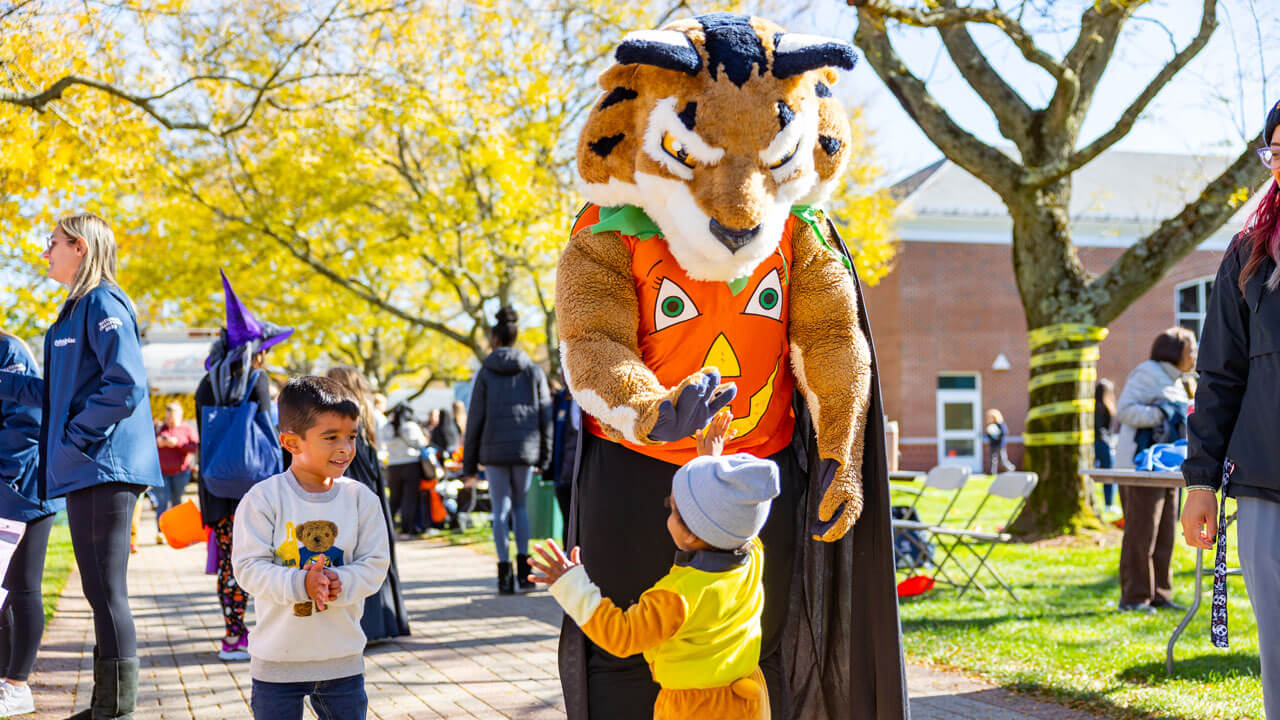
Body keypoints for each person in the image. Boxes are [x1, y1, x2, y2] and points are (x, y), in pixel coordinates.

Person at [0, 213, 163, 719]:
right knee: (97, 589)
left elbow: (127, 384)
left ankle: (116, 710)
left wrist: (76, 437)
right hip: (87, 466)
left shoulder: (101, 301)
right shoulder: (72, 311)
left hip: (104, 465)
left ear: (81, 247)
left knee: (106, 589)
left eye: (52, 244)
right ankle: (104, 704)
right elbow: (58, 392)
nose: (45, 253)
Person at [532, 410, 775, 719]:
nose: (668, 514)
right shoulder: (752, 555)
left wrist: (571, 583)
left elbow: (622, 635)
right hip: (748, 700)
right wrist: (709, 465)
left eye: (672, 509)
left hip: (694, 709)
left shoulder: (677, 597)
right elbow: (730, 516)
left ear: (689, 535)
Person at [1182, 101, 1280, 720]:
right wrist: (1199, 484)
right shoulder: (1249, 252)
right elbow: (1219, 375)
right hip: (1267, 484)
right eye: (1277, 151)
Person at [232, 376, 391, 720]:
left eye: (351, 436)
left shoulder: (361, 499)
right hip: (278, 661)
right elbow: (247, 567)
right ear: (291, 441)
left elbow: (376, 563)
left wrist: (341, 581)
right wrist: (299, 585)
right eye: (330, 437)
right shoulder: (263, 499)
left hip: (341, 660)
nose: (345, 448)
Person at [196, 270, 292, 661]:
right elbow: (270, 430)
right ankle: (268, 633)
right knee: (263, 559)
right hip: (256, 485)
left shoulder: (206, 384)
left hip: (217, 485)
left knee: (230, 564)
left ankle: (234, 636)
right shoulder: (258, 380)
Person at [462, 306, 553, 595]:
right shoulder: (533, 371)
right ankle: (525, 575)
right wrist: (545, 455)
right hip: (526, 449)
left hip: (493, 449)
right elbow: (544, 414)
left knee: (499, 509)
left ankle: (504, 575)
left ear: (495, 339)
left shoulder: (486, 372)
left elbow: (475, 418)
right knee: (521, 506)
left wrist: (469, 465)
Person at [0, 330, 63, 717]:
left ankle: (18, 685)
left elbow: (28, 421)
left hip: (22, 488)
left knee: (22, 588)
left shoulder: (9, 351)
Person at [324, 366, 409, 642]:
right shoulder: (366, 420)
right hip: (371, 494)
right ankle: (386, 621)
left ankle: (366, 625)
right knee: (374, 552)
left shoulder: (342, 424)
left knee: (355, 553)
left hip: (351, 495)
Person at [1115, 327, 1196, 613]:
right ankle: (1134, 598)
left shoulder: (1181, 381)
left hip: (1170, 467)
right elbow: (1124, 410)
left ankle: (1160, 594)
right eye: (1191, 349)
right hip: (1141, 466)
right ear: (1175, 351)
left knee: (1165, 533)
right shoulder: (1146, 373)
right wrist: (1162, 414)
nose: (1195, 355)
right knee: (1141, 533)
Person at [380, 403, 429, 539]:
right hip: (411, 464)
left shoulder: (387, 427)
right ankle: (407, 530)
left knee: (394, 499)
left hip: (393, 466)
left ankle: (386, 529)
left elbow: (382, 443)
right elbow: (421, 444)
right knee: (409, 498)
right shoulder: (411, 426)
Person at [154, 402, 199, 544]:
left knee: (177, 502)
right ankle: (161, 533)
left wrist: (177, 443)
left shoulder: (187, 429)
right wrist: (157, 443)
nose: (169, 421)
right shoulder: (159, 428)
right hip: (161, 473)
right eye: (167, 418)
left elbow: (194, 447)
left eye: (172, 418)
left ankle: (177, 533)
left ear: (180, 416)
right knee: (162, 502)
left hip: (180, 472)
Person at [549, 380, 580, 546]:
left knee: (584, 522)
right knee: (568, 521)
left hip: (586, 475)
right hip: (563, 474)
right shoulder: (561, 399)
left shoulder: (593, 397)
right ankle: (569, 564)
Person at [1094, 379, 1119, 514]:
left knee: (1091, 474)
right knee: (1108, 474)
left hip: (1092, 443)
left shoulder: (1091, 407)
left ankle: (1094, 502)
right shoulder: (1107, 407)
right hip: (1104, 443)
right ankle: (1108, 503)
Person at [983, 409, 1014, 474]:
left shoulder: (1000, 424)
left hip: (1000, 445)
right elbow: (989, 436)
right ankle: (992, 472)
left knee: (1002, 460)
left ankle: (1010, 468)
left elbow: (1005, 432)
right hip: (993, 445)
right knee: (993, 459)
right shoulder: (990, 425)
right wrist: (988, 434)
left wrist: (997, 435)